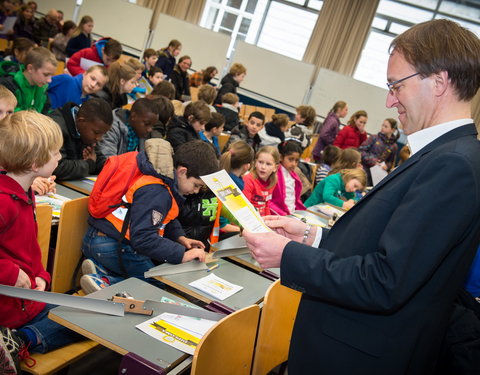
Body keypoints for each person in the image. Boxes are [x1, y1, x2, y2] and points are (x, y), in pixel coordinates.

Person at [243, 19, 480, 374]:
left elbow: (387, 280)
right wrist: (313, 237)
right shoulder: (446, 154)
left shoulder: (453, 164)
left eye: (396, 85)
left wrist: (289, 256)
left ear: (440, 81)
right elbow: (394, 248)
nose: (389, 100)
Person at [0, 111, 82, 373]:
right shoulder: (3, 199)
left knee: (91, 316)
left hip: (27, 300)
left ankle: (17, 341)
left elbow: (31, 249)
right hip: (9, 304)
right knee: (84, 319)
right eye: (56, 152)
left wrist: (41, 275)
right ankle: (19, 340)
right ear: (36, 163)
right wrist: (10, 272)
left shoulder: (24, 191)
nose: (60, 157)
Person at [80, 139, 219, 292]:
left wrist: (180, 237)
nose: (196, 191)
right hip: (112, 245)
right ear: (182, 172)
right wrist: (181, 255)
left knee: (144, 275)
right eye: (196, 185)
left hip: (102, 238)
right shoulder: (157, 191)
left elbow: (164, 217)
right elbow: (143, 239)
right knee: (154, 288)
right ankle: (105, 281)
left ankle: (104, 271)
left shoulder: (163, 178)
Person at [49, 98, 112, 180]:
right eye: (96, 133)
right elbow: (56, 167)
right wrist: (89, 165)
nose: (99, 138)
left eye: (103, 134)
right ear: (81, 121)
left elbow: (96, 158)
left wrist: (109, 167)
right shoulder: (56, 127)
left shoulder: (87, 131)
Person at [0, 47, 57, 113]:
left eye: (51, 75)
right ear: (30, 68)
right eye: (46, 74)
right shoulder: (8, 84)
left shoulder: (42, 88)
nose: (49, 80)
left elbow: (47, 112)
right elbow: (8, 114)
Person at [359, 118, 399, 184]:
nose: (382, 127)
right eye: (382, 125)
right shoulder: (374, 137)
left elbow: (390, 162)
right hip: (364, 169)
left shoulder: (394, 146)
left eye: (386, 126)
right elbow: (361, 150)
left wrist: (387, 166)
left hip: (377, 176)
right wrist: (373, 161)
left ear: (393, 130)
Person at [270, 140, 305, 215]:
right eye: (290, 159)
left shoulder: (294, 175)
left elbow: (294, 199)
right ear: (281, 157)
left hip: (291, 213)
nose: (294, 164)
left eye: (296, 161)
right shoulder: (274, 174)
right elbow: (269, 201)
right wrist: (284, 214)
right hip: (278, 215)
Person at [243, 145, 279, 216]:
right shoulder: (248, 180)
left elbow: (266, 205)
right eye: (260, 162)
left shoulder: (272, 181)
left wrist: (268, 221)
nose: (263, 167)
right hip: (249, 219)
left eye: (268, 164)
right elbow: (245, 208)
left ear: (275, 167)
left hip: (261, 220)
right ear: (255, 163)